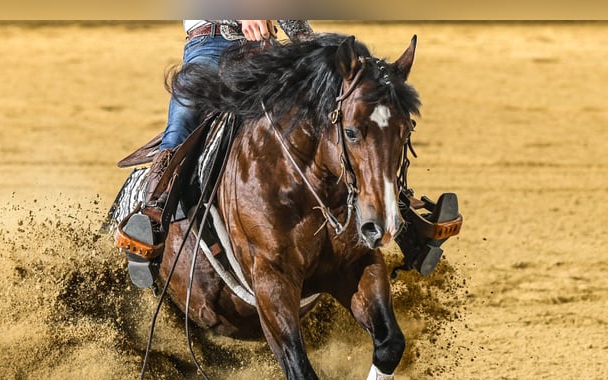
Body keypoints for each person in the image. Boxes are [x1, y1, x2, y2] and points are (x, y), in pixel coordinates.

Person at [116, 20, 460, 288]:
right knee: (183, 118)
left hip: (269, 52)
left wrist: (314, 51)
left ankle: (397, 211)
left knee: (342, 116)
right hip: (208, 46)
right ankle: (153, 218)